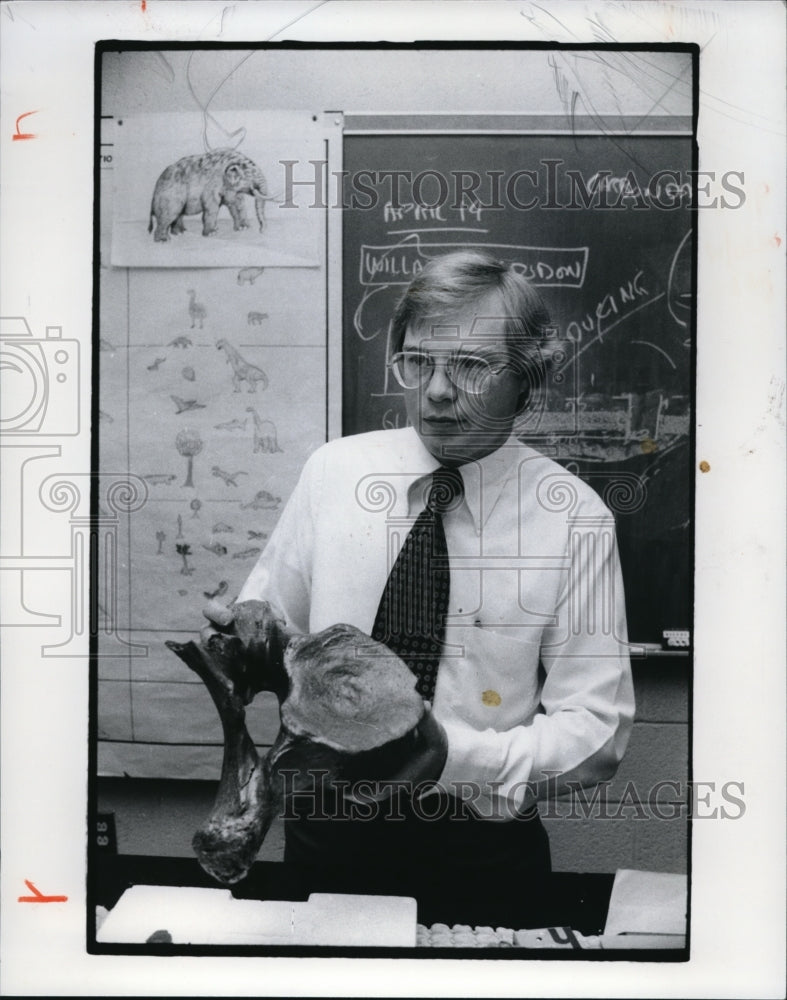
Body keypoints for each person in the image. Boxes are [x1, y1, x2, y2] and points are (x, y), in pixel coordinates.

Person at [216, 250, 635, 925]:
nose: (437, 390)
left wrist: (443, 754)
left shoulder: (573, 516)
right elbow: (273, 635)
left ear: (527, 380)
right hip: (327, 842)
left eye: (470, 366)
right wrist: (244, 637)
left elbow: (595, 736)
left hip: (479, 854)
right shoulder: (334, 474)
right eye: (418, 362)